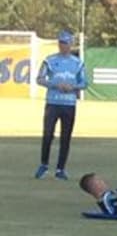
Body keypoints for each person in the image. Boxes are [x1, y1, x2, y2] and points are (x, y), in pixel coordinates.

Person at [35, 30, 87, 180]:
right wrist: (55, 84)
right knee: (47, 135)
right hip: (53, 103)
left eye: (65, 43)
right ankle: (43, 165)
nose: (63, 46)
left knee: (66, 137)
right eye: (61, 43)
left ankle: (60, 169)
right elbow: (39, 79)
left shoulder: (78, 63)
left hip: (69, 104)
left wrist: (73, 87)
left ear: (71, 44)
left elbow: (84, 83)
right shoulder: (49, 60)